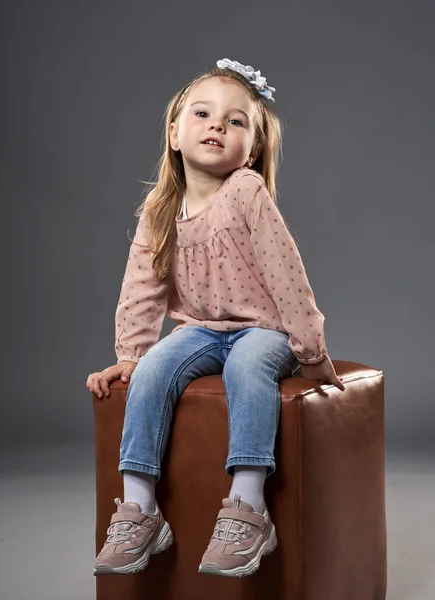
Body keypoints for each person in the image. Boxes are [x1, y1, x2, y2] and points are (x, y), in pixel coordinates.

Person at [87, 57, 345, 579]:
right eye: (203, 114)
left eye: (235, 121)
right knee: (155, 370)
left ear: (252, 150)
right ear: (175, 133)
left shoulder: (245, 193)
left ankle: (249, 507)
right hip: (201, 329)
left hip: (263, 330)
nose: (217, 126)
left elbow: (287, 276)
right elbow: (141, 287)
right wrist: (130, 355)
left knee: (246, 367)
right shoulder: (161, 208)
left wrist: (312, 353)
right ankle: (140, 509)